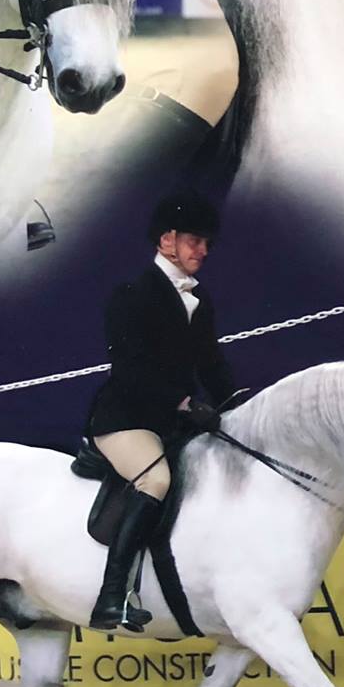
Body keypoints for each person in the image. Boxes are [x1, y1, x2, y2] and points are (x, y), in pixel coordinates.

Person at [82, 191, 239, 631]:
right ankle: (111, 597)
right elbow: (131, 370)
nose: (203, 251)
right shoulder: (131, 294)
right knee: (156, 478)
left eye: (207, 244)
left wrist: (239, 403)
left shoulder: (199, 299)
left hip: (172, 421)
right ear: (167, 240)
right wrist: (185, 402)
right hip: (126, 420)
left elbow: (210, 363)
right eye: (195, 241)